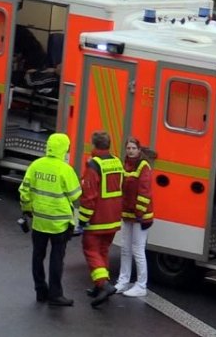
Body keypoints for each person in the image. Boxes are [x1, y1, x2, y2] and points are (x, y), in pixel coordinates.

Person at [18, 132, 81, 307]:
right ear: (64, 150)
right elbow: (76, 195)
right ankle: (55, 294)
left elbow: (24, 191)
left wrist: (27, 209)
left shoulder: (36, 165)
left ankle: (40, 290)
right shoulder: (65, 169)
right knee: (56, 258)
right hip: (59, 223)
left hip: (39, 221)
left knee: (37, 256)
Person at [78, 130, 124, 307]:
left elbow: (89, 197)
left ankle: (103, 285)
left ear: (93, 145)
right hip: (113, 217)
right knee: (103, 250)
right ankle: (99, 287)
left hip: (98, 218)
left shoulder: (93, 165)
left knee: (91, 250)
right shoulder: (117, 162)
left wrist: (82, 220)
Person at [115, 141, 154, 298]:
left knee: (138, 250)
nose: (130, 151)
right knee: (125, 248)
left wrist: (139, 212)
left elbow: (145, 191)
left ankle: (141, 285)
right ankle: (123, 281)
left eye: (133, 148)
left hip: (141, 216)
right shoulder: (125, 164)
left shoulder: (143, 166)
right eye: (128, 148)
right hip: (128, 214)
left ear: (139, 150)